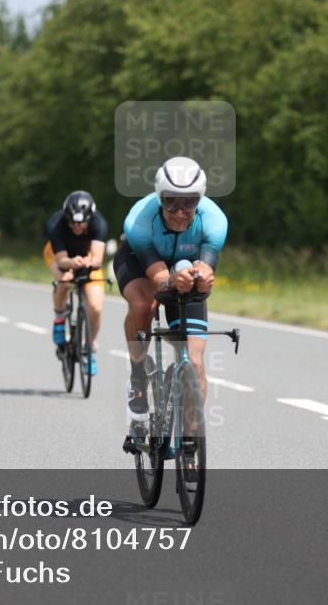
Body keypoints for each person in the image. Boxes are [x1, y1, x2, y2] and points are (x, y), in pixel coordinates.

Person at [115, 156, 227, 451]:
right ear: (159, 197)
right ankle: (138, 378)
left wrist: (204, 276)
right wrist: (172, 280)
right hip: (142, 264)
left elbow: (207, 270)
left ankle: (190, 442)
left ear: (199, 200)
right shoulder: (139, 221)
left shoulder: (215, 221)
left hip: (183, 267)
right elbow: (159, 279)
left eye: (188, 203)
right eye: (170, 203)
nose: (179, 212)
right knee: (144, 304)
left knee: (196, 363)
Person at [44, 191, 108, 375]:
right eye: (72, 222)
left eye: (81, 223)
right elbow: (62, 260)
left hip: (86, 255)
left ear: (90, 218)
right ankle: (59, 318)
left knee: (95, 307)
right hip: (60, 256)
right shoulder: (55, 224)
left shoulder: (99, 223)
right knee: (64, 280)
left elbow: (97, 258)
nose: (77, 227)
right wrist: (71, 264)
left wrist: (89, 262)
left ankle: (89, 347)